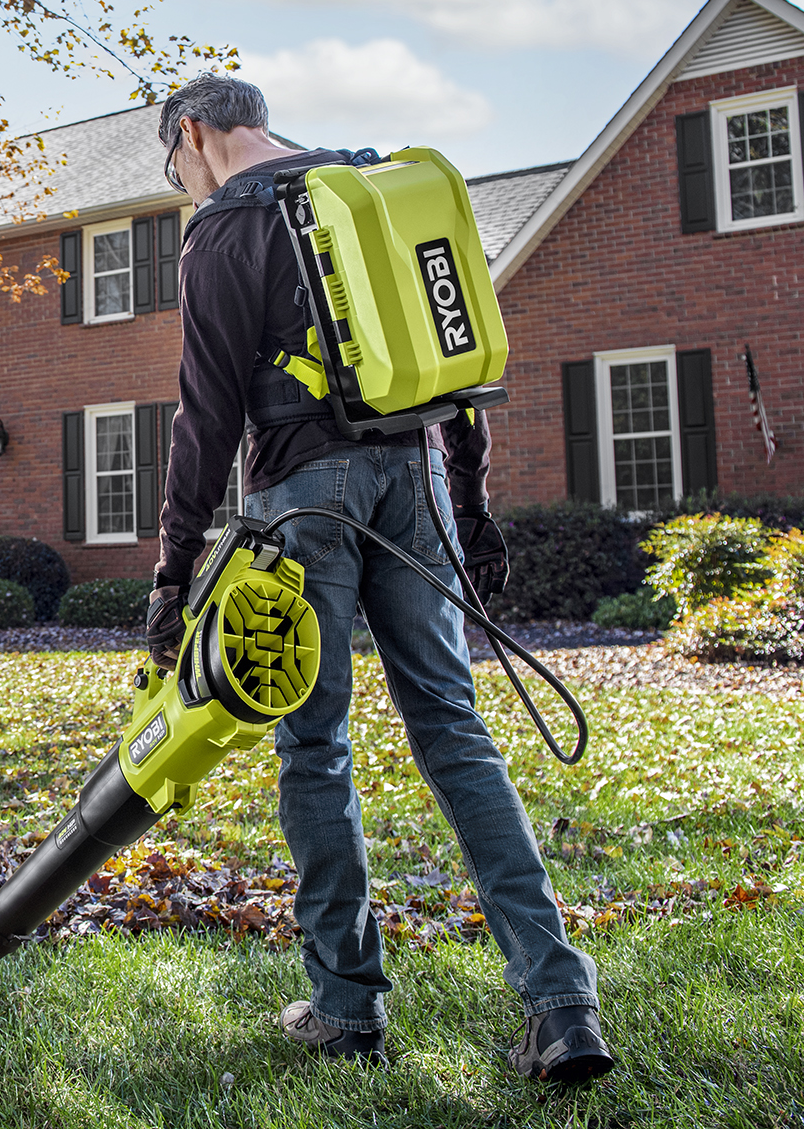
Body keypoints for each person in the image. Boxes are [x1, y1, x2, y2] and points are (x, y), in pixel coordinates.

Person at [143, 73, 613, 1084]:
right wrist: (470, 509)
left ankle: (348, 1008)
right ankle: (561, 1004)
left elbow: (206, 416)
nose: (184, 184)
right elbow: (457, 371)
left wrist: (174, 569)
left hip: (303, 499)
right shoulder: (374, 187)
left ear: (194, 132)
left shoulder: (226, 229)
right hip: (421, 477)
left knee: (314, 744)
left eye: (176, 167)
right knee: (454, 727)